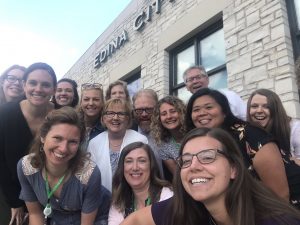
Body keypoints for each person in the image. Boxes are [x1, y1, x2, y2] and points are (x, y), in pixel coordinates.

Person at [120, 128, 300, 225]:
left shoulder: (277, 221)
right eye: (186, 160)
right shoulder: (188, 208)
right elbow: (135, 220)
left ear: (233, 169)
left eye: (207, 157)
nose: (194, 167)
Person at [185, 88, 289, 201]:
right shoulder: (196, 145)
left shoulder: (251, 135)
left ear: (224, 112)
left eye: (209, 107)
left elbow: (280, 194)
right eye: (196, 110)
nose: (202, 113)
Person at [17, 106, 111, 225]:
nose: (63, 149)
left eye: (72, 142)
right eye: (57, 138)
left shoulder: (89, 174)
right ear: (43, 137)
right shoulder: (26, 167)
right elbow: (35, 214)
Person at [0, 62, 57, 225]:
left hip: (51, 195)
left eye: (45, 85)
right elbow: (1, 162)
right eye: (33, 83)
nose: (38, 89)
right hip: (11, 194)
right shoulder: (4, 114)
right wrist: (14, 202)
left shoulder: (60, 115)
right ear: (24, 85)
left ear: (53, 89)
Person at [247, 89, 300, 209]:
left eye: (266, 106)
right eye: (254, 106)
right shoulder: (246, 135)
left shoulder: (295, 129)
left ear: (276, 109)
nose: (259, 110)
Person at [88, 98, 148, 191]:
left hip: (134, 196)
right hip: (102, 199)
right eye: (110, 113)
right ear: (103, 118)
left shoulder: (140, 140)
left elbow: (147, 173)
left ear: (128, 118)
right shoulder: (94, 143)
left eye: (121, 113)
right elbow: (89, 177)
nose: (115, 118)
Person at [108, 142, 173, 225]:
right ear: (122, 168)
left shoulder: (167, 195)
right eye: (129, 161)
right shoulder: (119, 201)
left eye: (142, 161)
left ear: (151, 166)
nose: (135, 167)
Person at [0, 64, 26, 225]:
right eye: (11, 78)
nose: (16, 83)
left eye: (22, 80)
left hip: (19, 190)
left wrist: (16, 200)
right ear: (3, 81)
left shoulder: (29, 117)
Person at [150, 96, 187, 179]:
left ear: (182, 113)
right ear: (159, 119)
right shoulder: (163, 145)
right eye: (164, 114)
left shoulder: (194, 133)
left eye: (173, 111)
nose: (169, 116)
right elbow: (178, 177)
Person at [132, 89, 163, 175]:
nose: (144, 114)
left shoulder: (168, 131)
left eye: (149, 109)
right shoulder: (126, 134)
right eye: (139, 110)